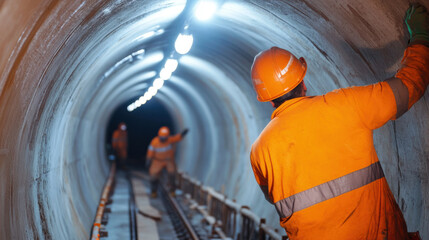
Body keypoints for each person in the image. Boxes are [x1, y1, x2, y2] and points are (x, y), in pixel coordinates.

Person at [249, 4, 428, 240]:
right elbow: (409, 87)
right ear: (303, 82)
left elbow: (274, 196)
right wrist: (421, 38)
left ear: (268, 101)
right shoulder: (346, 105)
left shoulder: (259, 152)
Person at [146, 126, 189, 197]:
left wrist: (182, 134)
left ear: (167, 136)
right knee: (153, 176)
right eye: (162, 137)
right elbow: (150, 152)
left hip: (168, 160)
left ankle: (172, 190)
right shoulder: (154, 142)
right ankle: (153, 191)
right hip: (157, 161)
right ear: (159, 135)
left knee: (172, 174)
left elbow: (177, 138)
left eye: (164, 137)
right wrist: (148, 160)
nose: (163, 139)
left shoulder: (169, 140)